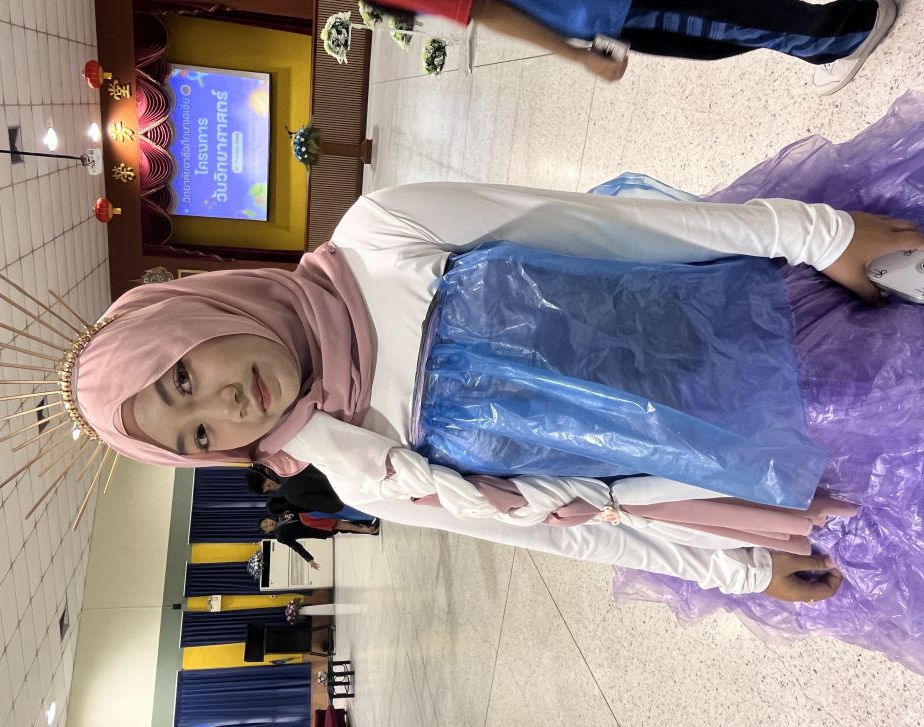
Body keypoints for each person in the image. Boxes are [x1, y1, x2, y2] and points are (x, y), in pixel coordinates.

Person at [71, 92, 924, 672]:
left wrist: (814, 234)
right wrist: (735, 569)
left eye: (185, 374)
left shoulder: (382, 235)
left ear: (196, 313)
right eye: (197, 435)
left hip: (771, 304)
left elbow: (620, 229)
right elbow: (573, 526)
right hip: (762, 448)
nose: (224, 406)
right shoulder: (364, 470)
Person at [372, 0, 897, 94]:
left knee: (715, 24)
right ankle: (827, 33)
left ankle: (844, 34)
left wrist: (577, 55)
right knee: (715, 23)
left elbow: (484, 6)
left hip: (600, 5)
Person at [259, 513, 379, 569]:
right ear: (267, 532)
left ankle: (369, 525)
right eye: (266, 527)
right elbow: (296, 547)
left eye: (266, 521)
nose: (268, 524)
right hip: (317, 529)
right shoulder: (280, 536)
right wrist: (309, 559)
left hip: (317, 517)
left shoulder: (281, 515)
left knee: (342, 524)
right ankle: (369, 528)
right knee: (340, 526)